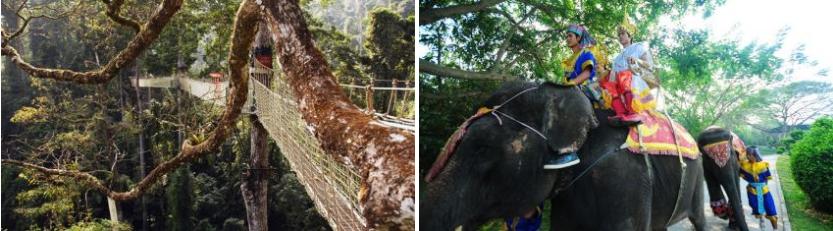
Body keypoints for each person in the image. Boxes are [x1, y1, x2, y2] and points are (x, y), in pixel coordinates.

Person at [544, 24, 598, 169]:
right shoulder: (569, 59)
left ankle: (569, 151)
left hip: (585, 90)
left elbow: (587, 73)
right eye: (566, 36)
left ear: (578, 38)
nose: (567, 39)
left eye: (570, 36)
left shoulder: (586, 53)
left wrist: (571, 84)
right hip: (569, 91)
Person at [604, 17, 656, 126]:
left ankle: (633, 111)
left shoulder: (639, 46)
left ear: (629, 35)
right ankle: (620, 112)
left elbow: (649, 65)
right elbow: (613, 76)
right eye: (619, 35)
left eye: (623, 33)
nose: (620, 36)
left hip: (636, 79)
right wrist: (609, 85)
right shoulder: (617, 58)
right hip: (621, 83)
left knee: (624, 76)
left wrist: (636, 61)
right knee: (609, 85)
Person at [740, 146, 778, 229]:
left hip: (764, 191)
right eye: (747, 154)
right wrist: (752, 182)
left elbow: (767, 178)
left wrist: (761, 184)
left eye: (750, 155)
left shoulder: (763, 165)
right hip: (752, 191)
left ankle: (775, 229)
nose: (748, 156)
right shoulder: (744, 165)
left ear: (755, 154)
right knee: (756, 208)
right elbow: (743, 176)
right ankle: (762, 223)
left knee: (771, 210)